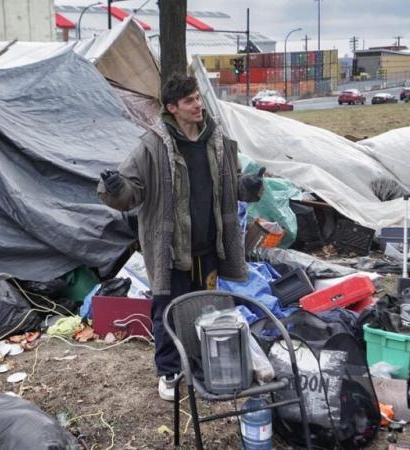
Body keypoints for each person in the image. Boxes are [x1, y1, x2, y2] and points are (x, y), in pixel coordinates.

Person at [97, 73, 264, 401]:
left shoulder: (217, 140)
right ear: (172, 108)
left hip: (209, 247)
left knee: (208, 310)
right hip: (171, 248)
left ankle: (203, 364)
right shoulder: (153, 146)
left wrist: (250, 187)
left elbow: (234, 184)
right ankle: (169, 372)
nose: (198, 104)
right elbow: (130, 193)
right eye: (189, 100)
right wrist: (116, 188)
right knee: (168, 310)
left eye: (198, 98)